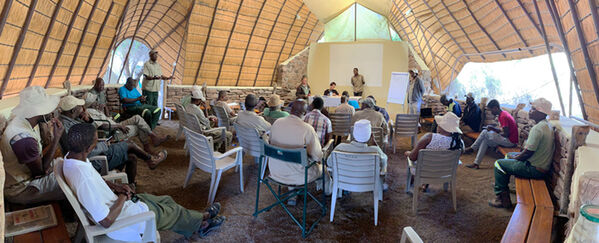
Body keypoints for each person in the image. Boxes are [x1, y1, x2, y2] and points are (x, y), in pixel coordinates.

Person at [62, 123, 226, 241]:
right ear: (89, 148)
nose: (98, 143)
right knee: (171, 212)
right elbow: (106, 221)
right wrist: (123, 196)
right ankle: (203, 222)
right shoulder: (82, 178)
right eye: (96, 141)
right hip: (120, 219)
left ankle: (197, 222)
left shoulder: (72, 159)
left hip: (118, 203)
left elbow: (96, 179)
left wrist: (117, 186)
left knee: (165, 200)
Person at [58, 96, 167, 184]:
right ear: (73, 110)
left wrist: (89, 120)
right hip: (95, 160)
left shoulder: (69, 121)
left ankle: (131, 184)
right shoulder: (68, 127)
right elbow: (83, 151)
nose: (81, 108)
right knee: (130, 144)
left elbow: (88, 137)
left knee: (132, 157)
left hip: (97, 149)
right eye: (79, 107)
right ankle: (150, 160)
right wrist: (104, 145)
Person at [0, 86, 65, 204]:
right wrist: (56, 138)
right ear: (38, 112)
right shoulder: (24, 139)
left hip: (25, 178)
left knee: (65, 166)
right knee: (68, 181)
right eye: (48, 109)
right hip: (20, 190)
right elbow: (40, 172)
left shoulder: (21, 120)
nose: (51, 113)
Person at [489, 98, 554, 208]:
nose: (530, 111)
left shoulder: (538, 129)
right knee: (508, 155)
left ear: (541, 112)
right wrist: (514, 157)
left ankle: (501, 198)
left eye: (533, 109)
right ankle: (503, 185)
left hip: (534, 168)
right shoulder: (546, 125)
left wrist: (516, 159)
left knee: (499, 164)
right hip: (539, 165)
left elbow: (528, 153)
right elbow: (529, 152)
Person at [268, 100, 330, 205]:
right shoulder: (307, 129)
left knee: (289, 160)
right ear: (305, 113)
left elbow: (271, 142)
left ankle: (292, 194)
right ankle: (330, 193)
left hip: (275, 171)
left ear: (290, 110)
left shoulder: (277, 123)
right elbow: (318, 157)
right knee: (322, 169)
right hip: (299, 176)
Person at [405, 112, 464, 191]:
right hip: (445, 173)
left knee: (415, 158)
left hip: (424, 172)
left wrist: (408, 153)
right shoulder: (459, 143)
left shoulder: (429, 137)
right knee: (436, 161)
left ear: (441, 126)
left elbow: (412, 158)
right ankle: (425, 184)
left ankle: (411, 184)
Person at [465, 99, 518, 169]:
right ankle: (476, 163)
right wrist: (493, 129)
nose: (491, 112)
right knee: (485, 140)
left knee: (484, 132)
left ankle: (472, 148)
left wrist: (494, 132)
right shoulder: (502, 114)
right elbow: (503, 130)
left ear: (496, 108)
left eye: (491, 110)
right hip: (507, 139)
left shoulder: (503, 116)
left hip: (510, 141)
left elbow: (506, 134)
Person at [186, 86, 232, 151]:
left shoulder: (188, 107)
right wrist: (205, 110)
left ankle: (214, 149)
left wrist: (209, 118)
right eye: (200, 100)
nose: (201, 101)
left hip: (194, 131)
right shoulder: (197, 110)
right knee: (228, 134)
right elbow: (207, 126)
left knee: (216, 128)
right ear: (197, 100)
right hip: (204, 133)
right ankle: (221, 153)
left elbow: (203, 120)